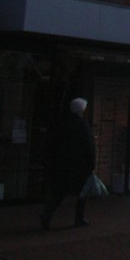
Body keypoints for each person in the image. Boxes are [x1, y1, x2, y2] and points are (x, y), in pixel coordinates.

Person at [41, 97, 96, 229]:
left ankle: (47, 214)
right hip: (78, 165)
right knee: (82, 192)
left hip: (63, 163)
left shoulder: (62, 123)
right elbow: (88, 146)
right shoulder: (82, 126)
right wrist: (91, 162)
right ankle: (79, 217)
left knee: (60, 192)